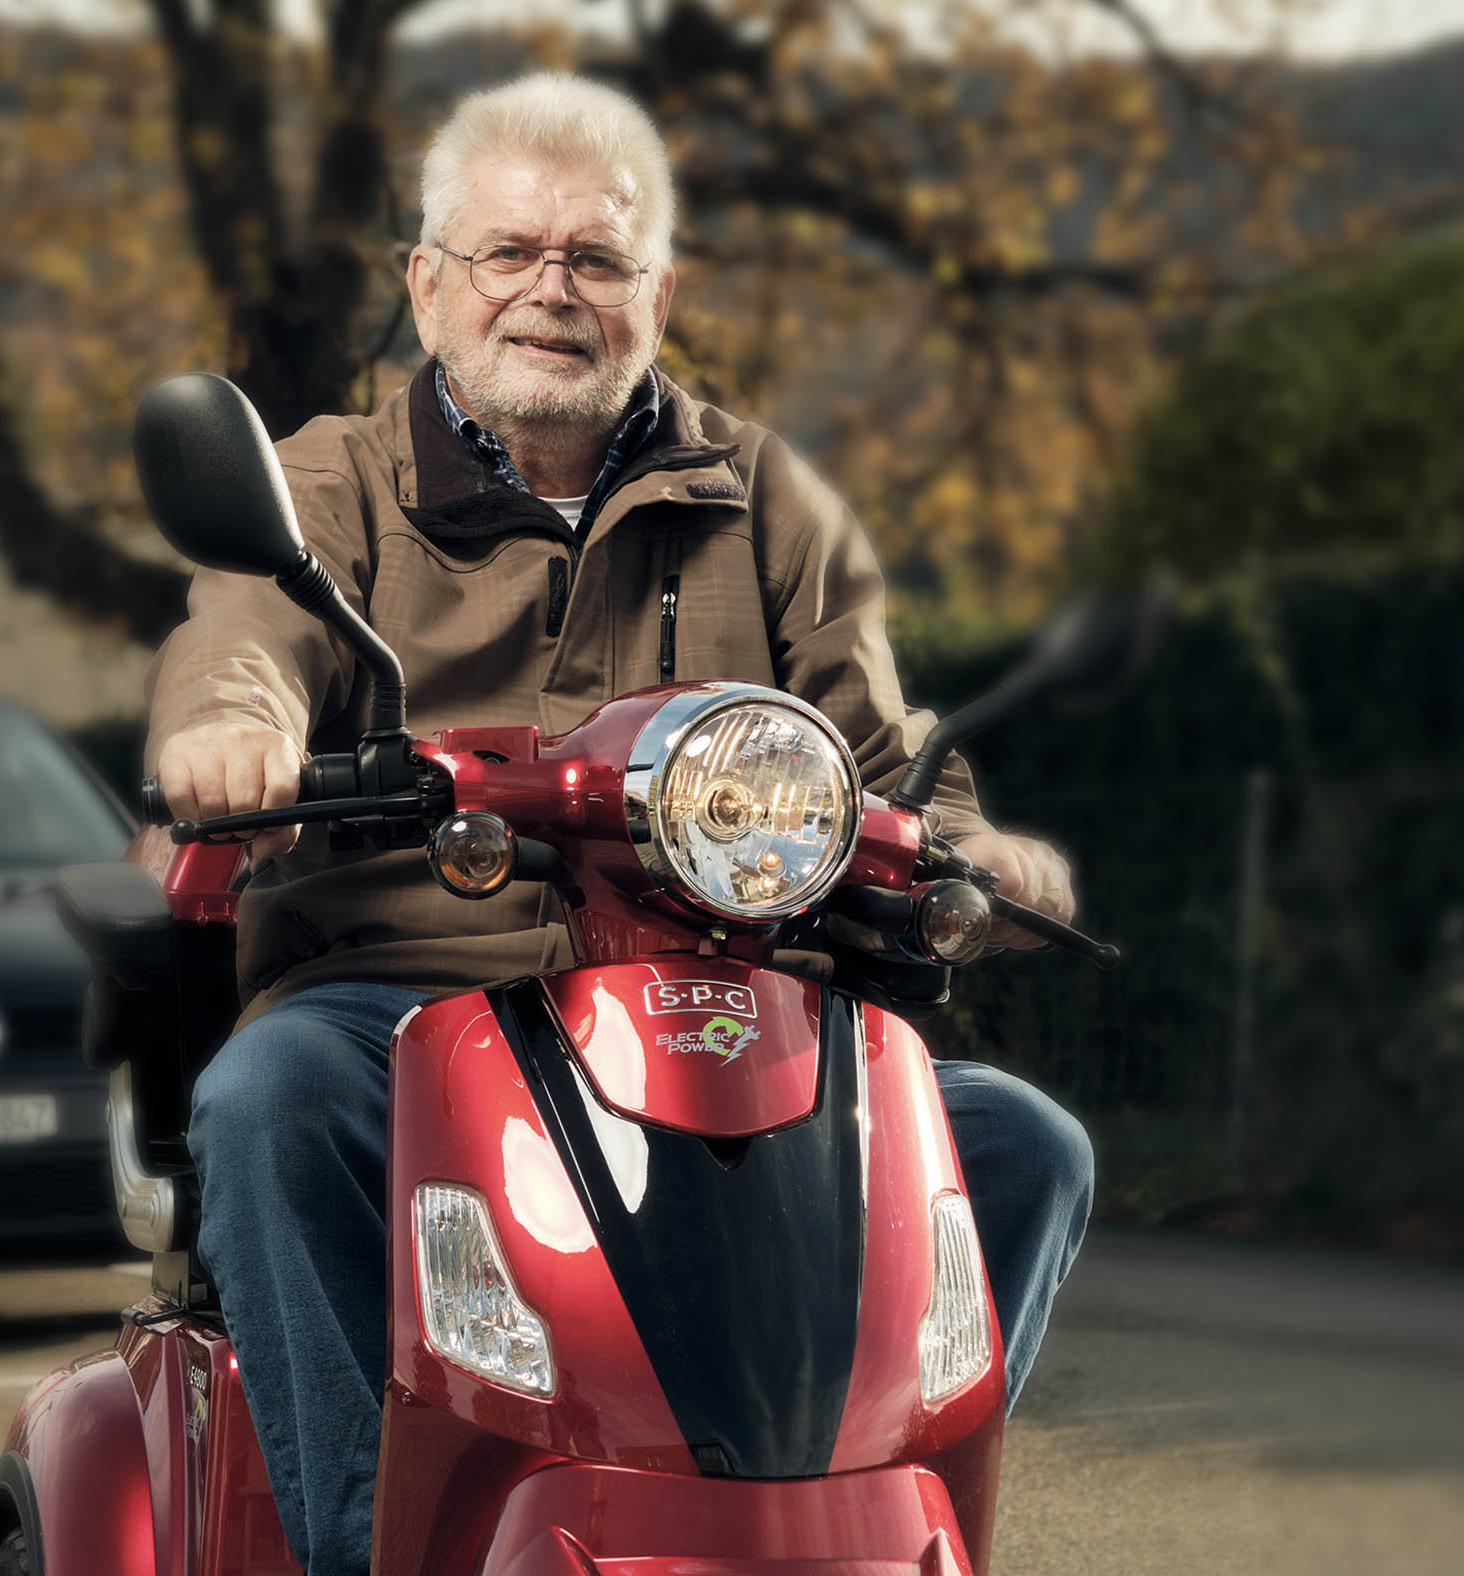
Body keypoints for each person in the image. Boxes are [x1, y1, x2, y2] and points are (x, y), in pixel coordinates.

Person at [146, 72, 1095, 1576]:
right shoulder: (333, 481)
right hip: (405, 1001)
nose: (550, 292)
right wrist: (236, 728)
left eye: (594, 259)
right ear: (426, 284)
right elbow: (246, 631)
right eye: (509, 253)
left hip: (731, 1012)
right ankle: (357, 1549)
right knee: (272, 1102)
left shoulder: (766, 496)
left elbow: (880, 754)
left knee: (1020, 1147)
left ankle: (861, 1531)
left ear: (658, 293)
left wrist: (964, 845)